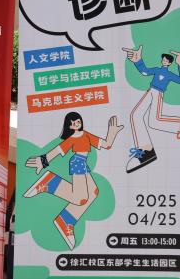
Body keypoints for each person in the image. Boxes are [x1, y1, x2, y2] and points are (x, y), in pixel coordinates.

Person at [24, 112, 123, 250]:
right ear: (69, 126)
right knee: (80, 198)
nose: (77, 124)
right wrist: (43, 161)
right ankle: (49, 183)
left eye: (78, 121)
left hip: (83, 164)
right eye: (74, 123)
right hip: (77, 163)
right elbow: (58, 150)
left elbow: (106, 144)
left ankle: (66, 219)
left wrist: (112, 132)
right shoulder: (72, 138)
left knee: (93, 192)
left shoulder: (86, 135)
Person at [122, 45, 180, 173]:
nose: (164, 61)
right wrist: (138, 61)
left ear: (169, 63)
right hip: (150, 91)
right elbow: (145, 72)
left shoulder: (169, 74)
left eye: (166, 60)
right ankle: (146, 151)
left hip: (158, 93)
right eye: (163, 59)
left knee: (155, 121)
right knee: (135, 115)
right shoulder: (157, 70)